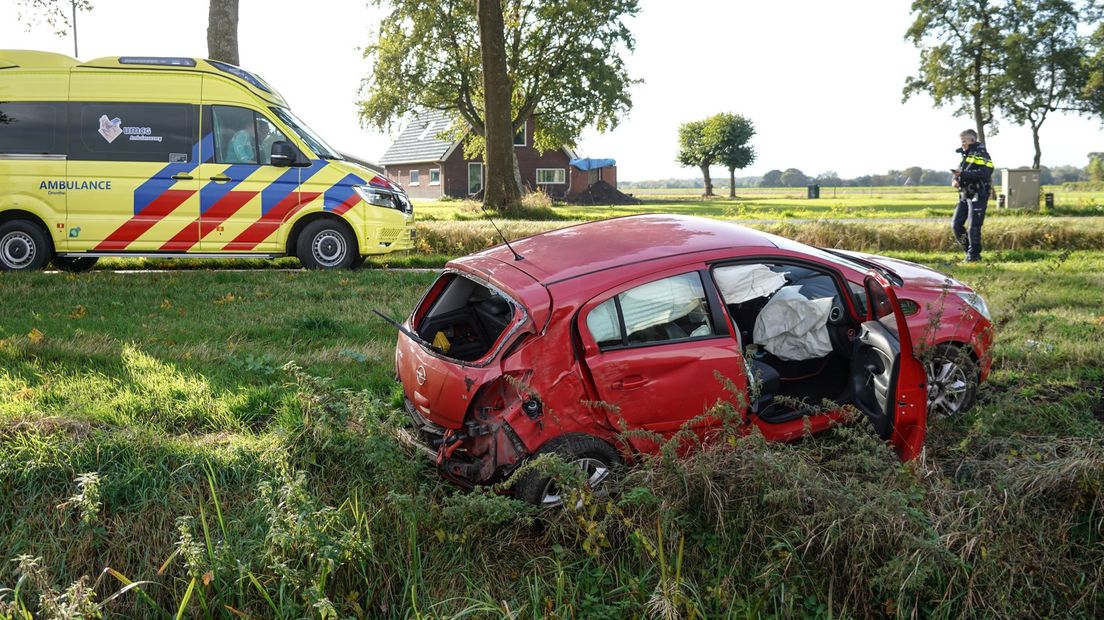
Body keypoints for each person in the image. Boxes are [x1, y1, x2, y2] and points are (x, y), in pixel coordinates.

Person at [951, 129, 994, 262]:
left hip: (978, 194)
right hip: (965, 194)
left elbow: (984, 173)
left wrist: (962, 174)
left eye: (964, 141)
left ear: (972, 140)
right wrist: (955, 180)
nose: (962, 144)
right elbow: (959, 173)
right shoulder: (965, 156)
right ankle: (969, 253)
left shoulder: (982, 154)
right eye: (961, 141)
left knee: (973, 227)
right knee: (956, 224)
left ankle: (974, 256)